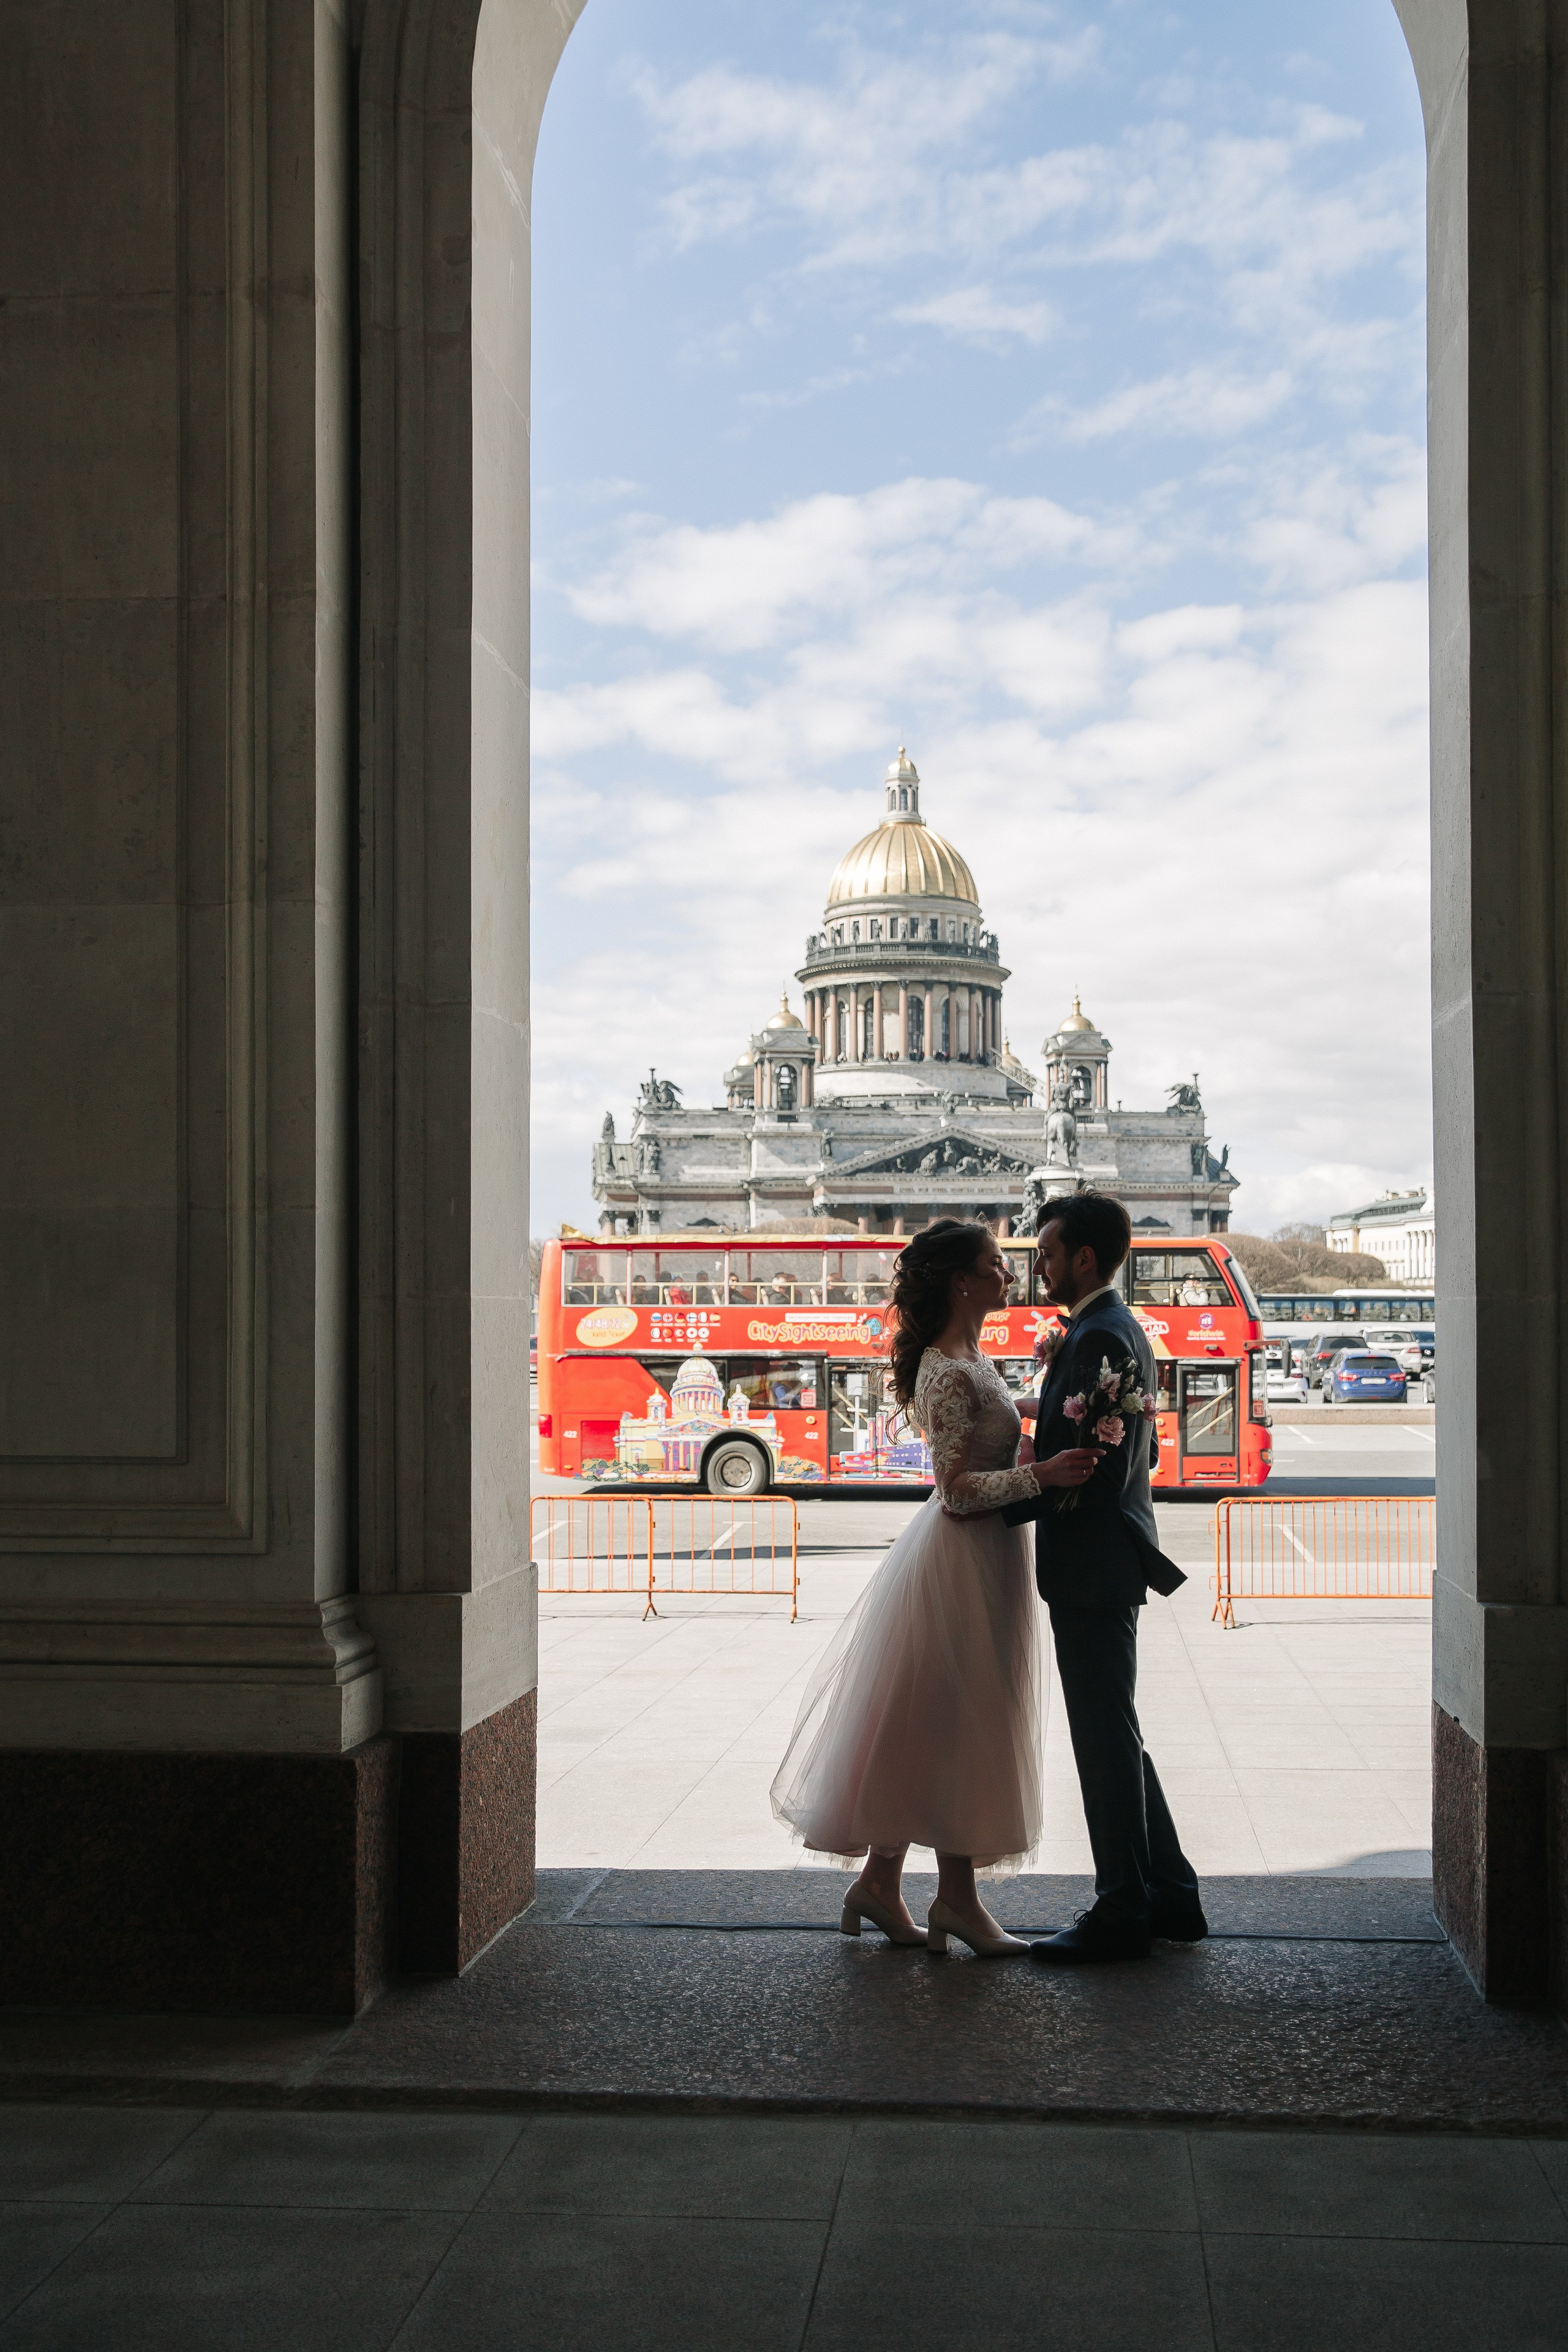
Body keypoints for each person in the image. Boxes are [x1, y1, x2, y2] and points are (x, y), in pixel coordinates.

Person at [770, 1218, 1104, 1955]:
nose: (1009, 1274)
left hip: (982, 1554)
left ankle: (882, 1886)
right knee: (962, 1720)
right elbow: (953, 1489)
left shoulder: (968, 1356)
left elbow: (984, 1438)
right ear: (961, 1279)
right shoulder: (948, 1368)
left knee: (933, 1721)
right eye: (994, 1264)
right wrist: (1040, 1475)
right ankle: (955, 1900)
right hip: (963, 1554)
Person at [1001, 1193, 1207, 1962]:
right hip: (1104, 1561)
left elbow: (1093, 1466)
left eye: (1047, 1252)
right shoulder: (1102, 1329)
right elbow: (1125, 1454)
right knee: (1115, 1733)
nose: (1038, 1266)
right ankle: (1171, 1895)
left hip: (1091, 1563)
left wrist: (1013, 1491)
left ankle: (1121, 1906)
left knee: (1102, 1739)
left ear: (1084, 1257)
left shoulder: (1097, 1337)